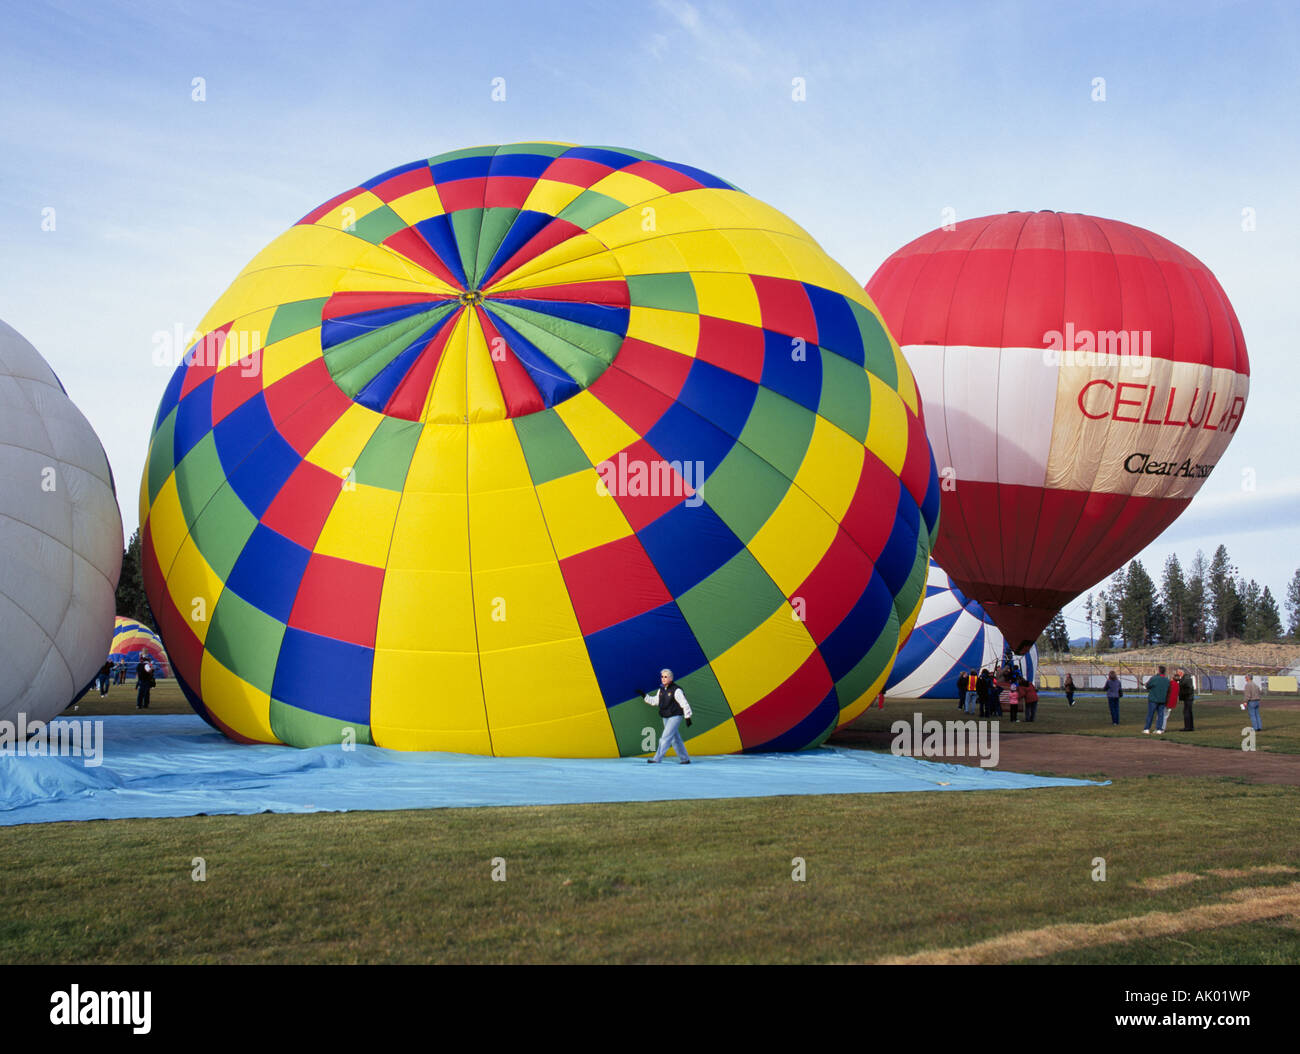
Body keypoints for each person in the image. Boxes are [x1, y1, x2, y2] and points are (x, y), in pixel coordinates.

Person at [642, 668, 693, 763]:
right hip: (666, 716)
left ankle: (657, 759)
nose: (663, 678)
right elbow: (655, 701)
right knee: (675, 739)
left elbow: (684, 703)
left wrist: (687, 717)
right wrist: (645, 696)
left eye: (666, 677)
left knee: (665, 737)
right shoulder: (661, 690)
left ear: (671, 678)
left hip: (675, 716)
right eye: (662, 677)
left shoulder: (676, 690)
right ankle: (685, 759)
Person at [1143, 665, 1170, 734]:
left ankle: (1147, 729)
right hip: (1162, 700)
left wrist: (1145, 685)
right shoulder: (1167, 680)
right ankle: (1159, 729)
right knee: (1161, 715)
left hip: (1153, 699)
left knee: (1150, 714)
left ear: (1159, 671)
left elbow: (1148, 686)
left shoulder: (1154, 678)